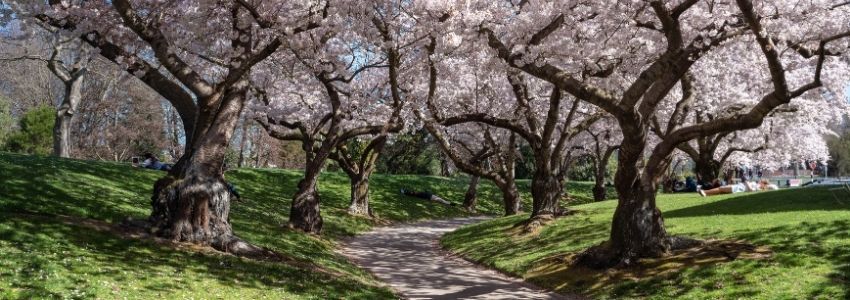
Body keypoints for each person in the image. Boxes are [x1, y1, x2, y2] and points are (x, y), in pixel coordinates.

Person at [698, 179, 778, 197]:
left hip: (740, 188)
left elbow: (750, 190)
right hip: (740, 187)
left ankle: (705, 192)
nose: (760, 182)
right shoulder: (759, 187)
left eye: (762, 182)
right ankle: (706, 192)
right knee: (721, 190)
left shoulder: (759, 189)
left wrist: (746, 182)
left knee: (721, 189)